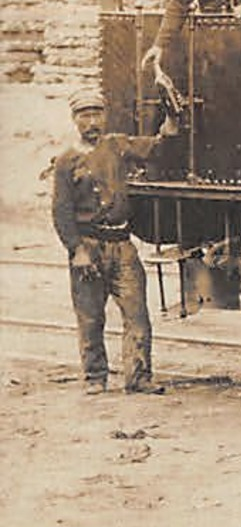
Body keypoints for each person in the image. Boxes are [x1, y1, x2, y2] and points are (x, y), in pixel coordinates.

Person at [51, 88, 179, 394]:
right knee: (90, 317)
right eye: (85, 116)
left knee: (137, 315)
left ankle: (139, 378)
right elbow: (61, 212)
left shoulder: (118, 145)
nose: (92, 121)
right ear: (74, 120)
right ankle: (95, 378)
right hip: (88, 247)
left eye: (97, 114)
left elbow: (156, 148)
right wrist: (76, 250)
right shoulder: (66, 161)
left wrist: (171, 123)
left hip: (123, 246)